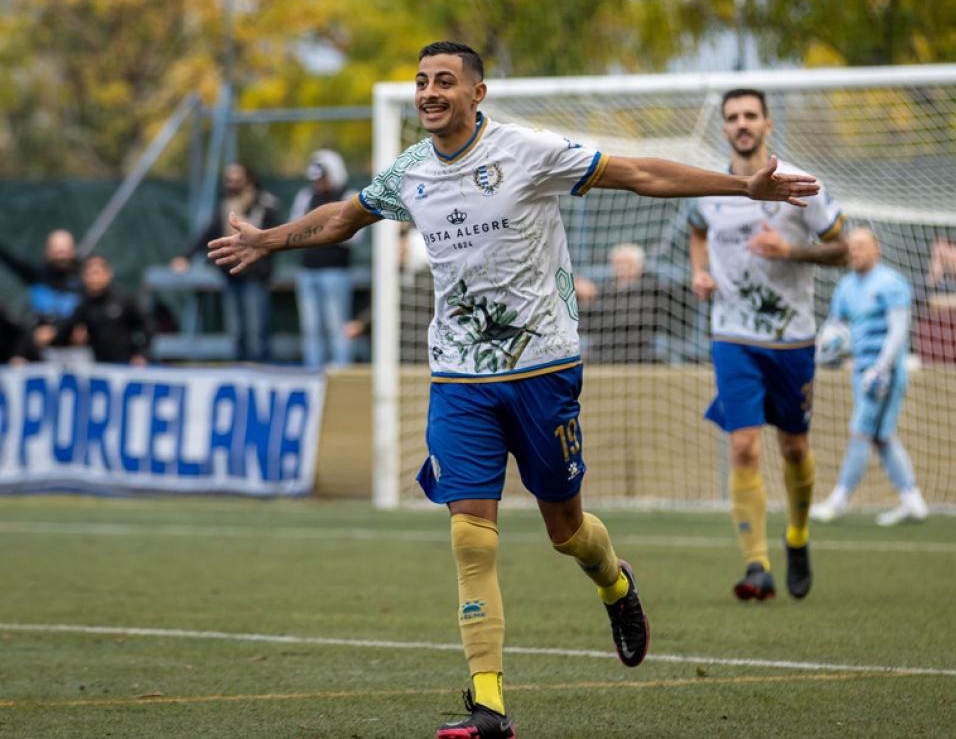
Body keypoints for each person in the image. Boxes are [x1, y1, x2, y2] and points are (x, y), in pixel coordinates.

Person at [208, 43, 820, 739]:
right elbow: (344, 218)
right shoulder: (410, 172)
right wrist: (269, 239)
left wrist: (742, 187)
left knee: (567, 531)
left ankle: (615, 583)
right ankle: (489, 705)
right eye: (421, 82)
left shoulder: (528, 150)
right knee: (471, 537)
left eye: (445, 81)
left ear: (478, 92)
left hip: (543, 369)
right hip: (460, 377)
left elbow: (641, 172)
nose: (429, 92)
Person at [688, 88, 847, 603]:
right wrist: (700, 272)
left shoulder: (803, 183)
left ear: (767, 123)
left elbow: (843, 250)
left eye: (750, 115)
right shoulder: (711, 189)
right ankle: (757, 564)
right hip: (733, 337)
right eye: (732, 117)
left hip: (793, 340)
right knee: (743, 445)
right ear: (725, 127)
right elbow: (697, 232)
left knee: (794, 446)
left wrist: (792, 250)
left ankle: (797, 535)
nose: (741, 124)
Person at [811, 227, 929, 527]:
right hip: (860, 372)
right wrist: (825, 348)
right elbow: (836, 326)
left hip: (885, 374)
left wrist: (881, 367)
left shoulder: (891, 283)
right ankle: (913, 501)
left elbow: (899, 331)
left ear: (877, 249)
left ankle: (838, 501)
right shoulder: (846, 287)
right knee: (882, 437)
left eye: (861, 246)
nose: (855, 251)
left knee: (861, 432)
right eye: (851, 246)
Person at [171, 163, 279, 362]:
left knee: (257, 331)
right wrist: (185, 256)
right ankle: (240, 371)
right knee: (236, 331)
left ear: (249, 179)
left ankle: (261, 372)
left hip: (255, 276)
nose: (231, 183)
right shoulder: (226, 206)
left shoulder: (265, 204)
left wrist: (263, 268)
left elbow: (275, 236)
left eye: (236, 178)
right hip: (232, 276)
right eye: (228, 179)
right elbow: (208, 234)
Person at [290, 149, 357, 369]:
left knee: (336, 326)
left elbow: (352, 237)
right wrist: (326, 229)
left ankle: (341, 370)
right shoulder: (306, 196)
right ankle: (313, 371)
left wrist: (314, 230)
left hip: (335, 271)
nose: (319, 183)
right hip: (308, 270)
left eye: (323, 178)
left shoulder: (349, 196)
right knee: (310, 327)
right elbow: (294, 230)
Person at [41, 254, 151, 365]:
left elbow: (147, 325)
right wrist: (51, 334)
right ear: (83, 277)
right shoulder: (83, 305)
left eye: (97, 273)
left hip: (126, 367)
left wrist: (141, 354)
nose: (94, 279)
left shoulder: (124, 300)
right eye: (89, 274)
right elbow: (64, 331)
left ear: (108, 274)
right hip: (98, 369)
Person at [0, 228, 83, 361]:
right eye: (57, 251)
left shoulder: (84, 279)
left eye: (65, 251)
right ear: (47, 252)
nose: (61, 256)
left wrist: (61, 330)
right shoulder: (37, 276)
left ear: (73, 250)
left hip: (77, 350)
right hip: (39, 351)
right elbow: (10, 259)